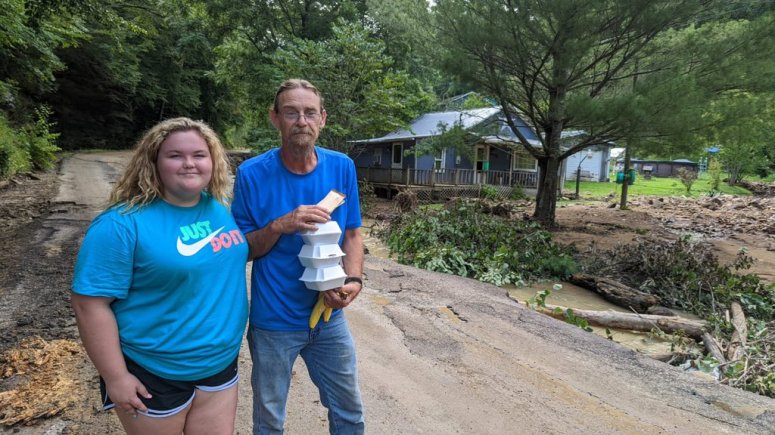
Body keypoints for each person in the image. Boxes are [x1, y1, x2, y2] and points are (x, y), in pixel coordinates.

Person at [71, 117, 249, 435]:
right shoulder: (121, 224)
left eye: (199, 155)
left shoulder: (217, 208)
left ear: (213, 161)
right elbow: (89, 305)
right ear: (153, 162)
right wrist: (115, 377)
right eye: (175, 155)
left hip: (219, 365)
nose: (189, 164)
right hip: (154, 370)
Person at [231, 79, 365, 434]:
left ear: (323, 119)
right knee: (269, 420)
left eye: (309, 113)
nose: (301, 121)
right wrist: (280, 225)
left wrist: (352, 280)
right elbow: (242, 249)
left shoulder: (342, 167)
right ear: (275, 118)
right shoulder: (251, 174)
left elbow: (352, 233)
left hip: (328, 317)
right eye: (291, 112)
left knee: (349, 413)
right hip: (273, 320)